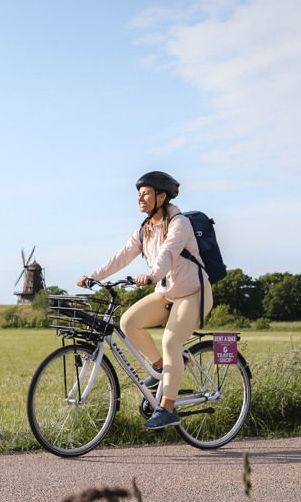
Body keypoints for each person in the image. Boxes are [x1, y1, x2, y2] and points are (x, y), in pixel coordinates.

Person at [77, 171, 214, 431]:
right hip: (167, 293)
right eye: (138, 194)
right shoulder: (145, 229)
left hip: (194, 293)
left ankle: (167, 409)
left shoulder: (179, 223)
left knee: (171, 341)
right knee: (129, 322)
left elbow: (168, 253)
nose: (140, 198)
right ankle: (163, 368)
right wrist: (93, 277)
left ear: (161, 197)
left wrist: (151, 275)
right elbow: (121, 256)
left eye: (146, 194)